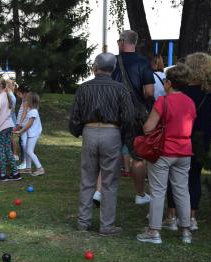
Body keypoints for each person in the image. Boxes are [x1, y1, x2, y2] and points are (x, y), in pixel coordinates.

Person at [69, 53, 134, 235]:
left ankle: (83, 222)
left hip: (89, 132)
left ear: (95, 67)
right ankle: (107, 225)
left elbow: (75, 116)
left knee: (87, 179)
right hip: (112, 133)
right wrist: (124, 137)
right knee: (109, 182)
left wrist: (79, 131)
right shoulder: (120, 89)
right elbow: (128, 117)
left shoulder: (83, 88)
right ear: (113, 69)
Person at [136, 63, 196, 244]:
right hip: (184, 151)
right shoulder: (190, 102)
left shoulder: (163, 101)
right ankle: (185, 231)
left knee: (158, 191)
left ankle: (154, 231)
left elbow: (148, 128)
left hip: (163, 151)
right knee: (182, 190)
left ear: (169, 83)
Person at [163, 53, 211, 231]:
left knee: (174, 176)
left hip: (181, 136)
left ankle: (171, 216)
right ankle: (192, 217)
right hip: (202, 139)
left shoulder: (182, 91)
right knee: (194, 177)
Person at [112, 30, 155, 205]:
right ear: (134, 43)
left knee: (111, 155)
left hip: (114, 114)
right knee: (138, 157)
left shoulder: (112, 61)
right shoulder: (143, 62)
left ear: (122, 42)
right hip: (136, 116)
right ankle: (140, 194)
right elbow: (149, 91)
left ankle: (104, 191)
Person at [0, 77, 22, 181]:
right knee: (8, 149)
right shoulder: (8, 95)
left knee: (0, 150)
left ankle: (3, 174)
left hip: (1, 127)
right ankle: (15, 173)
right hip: (9, 125)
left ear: (0, 86)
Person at [14, 92, 44, 176]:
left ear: (30, 102)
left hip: (34, 133)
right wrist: (18, 129)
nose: (25, 102)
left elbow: (29, 125)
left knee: (29, 151)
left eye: (26, 100)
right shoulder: (30, 110)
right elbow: (26, 123)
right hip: (31, 133)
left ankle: (40, 168)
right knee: (28, 150)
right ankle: (28, 169)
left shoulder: (33, 112)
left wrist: (20, 131)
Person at [14, 84, 30, 170]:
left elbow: (24, 113)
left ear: (22, 93)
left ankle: (25, 163)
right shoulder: (24, 100)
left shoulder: (26, 100)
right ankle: (25, 162)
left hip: (25, 125)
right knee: (23, 143)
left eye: (18, 94)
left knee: (24, 144)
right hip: (23, 125)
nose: (18, 96)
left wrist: (19, 124)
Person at [6, 79, 19, 161]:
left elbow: (10, 110)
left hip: (10, 119)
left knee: (10, 137)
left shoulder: (10, 96)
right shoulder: (11, 95)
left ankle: (15, 154)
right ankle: (12, 153)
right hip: (11, 118)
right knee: (10, 137)